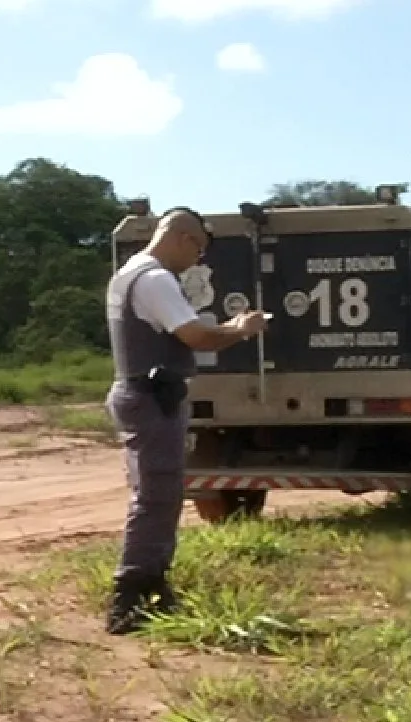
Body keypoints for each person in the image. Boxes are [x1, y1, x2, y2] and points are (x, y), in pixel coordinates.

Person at [104, 206, 268, 635]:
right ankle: (132, 596)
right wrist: (240, 328)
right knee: (157, 495)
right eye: (199, 250)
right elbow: (195, 335)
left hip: (143, 393)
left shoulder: (130, 273)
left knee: (160, 492)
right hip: (151, 396)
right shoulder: (156, 279)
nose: (198, 260)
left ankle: (153, 585)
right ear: (184, 238)